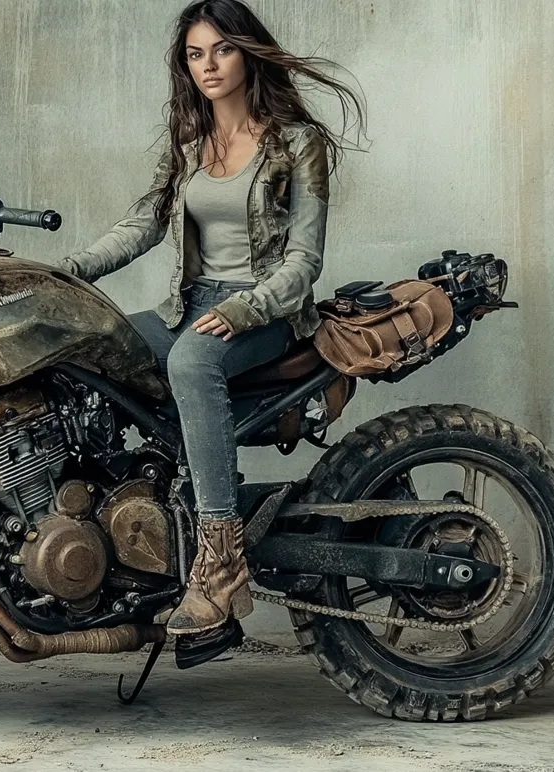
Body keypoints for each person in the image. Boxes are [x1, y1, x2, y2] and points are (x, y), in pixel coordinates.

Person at [57, 0, 365, 643]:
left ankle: (222, 565)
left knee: (189, 362)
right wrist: (68, 271)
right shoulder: (190, 144)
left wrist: (244, 307)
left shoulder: (297, 144)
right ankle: (125, 519)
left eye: (220, 50)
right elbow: (142, 222)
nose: (208, 66)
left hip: (268, 311)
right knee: (85, 349)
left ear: (248, 52)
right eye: (195, 55)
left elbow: (304, 260)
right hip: (190, 305)